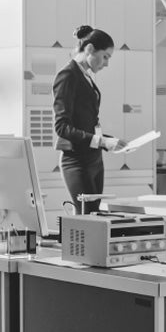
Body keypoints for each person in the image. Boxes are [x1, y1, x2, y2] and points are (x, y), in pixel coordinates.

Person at [53, 25, 125, 214]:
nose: (106, 63)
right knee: (89, 217)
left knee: (94, 216)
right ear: (90, 49)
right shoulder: (68, 76)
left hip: (94, 159)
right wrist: (101, 141)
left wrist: (109, 141)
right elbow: (62, 127)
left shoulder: (85, 77)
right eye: (105, 57)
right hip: (76, 160)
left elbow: (86, 122)